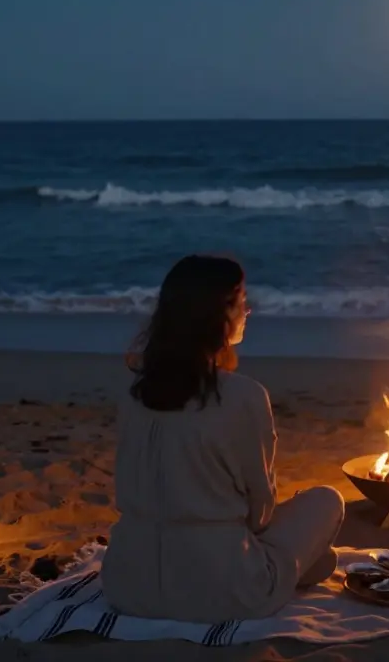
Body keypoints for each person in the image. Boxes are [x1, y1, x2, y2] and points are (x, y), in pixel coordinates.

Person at [103, 254, 344, 623]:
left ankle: (297, 564)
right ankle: (295, 567)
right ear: (219, 315)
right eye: (241, 301)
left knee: (295, 547)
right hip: (222, 593)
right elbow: (260, 514)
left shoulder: (135, 392)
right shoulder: (244, 395)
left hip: (126, 585)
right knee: (327, 500)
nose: (248, 309)